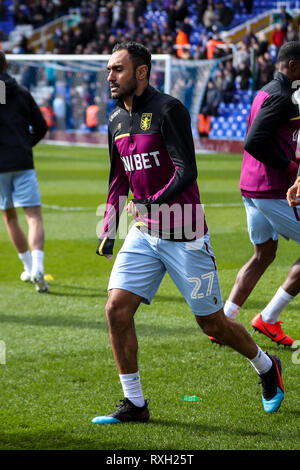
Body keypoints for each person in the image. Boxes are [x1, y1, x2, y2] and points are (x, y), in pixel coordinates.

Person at [92, 41, 284, 424]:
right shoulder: (116, 119)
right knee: (116, 309)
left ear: (142, 72)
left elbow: (186, 172)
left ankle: (266, 367)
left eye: (118, 69)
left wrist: (151, 203)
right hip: (144, 234)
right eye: (109, 70)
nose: (110, 77)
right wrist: (110, 227)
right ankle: (135, 404)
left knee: (211, 324)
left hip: (185, 233)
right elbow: (119, 179)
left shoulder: (169, 110)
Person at [213, 42, 300, 347]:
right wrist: (290, 166)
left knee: (263, 255)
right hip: (271, 188)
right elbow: (253, 141)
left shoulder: (267, 90)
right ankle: (269, 318)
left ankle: (223, 322)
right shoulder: (282, 96)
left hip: (252, 187)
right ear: (292, 66)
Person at [0, 51, 49, 293]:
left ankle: (29, 267)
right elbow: (41, 126)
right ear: (7, 64)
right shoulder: (20, 91)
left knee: (10, 217)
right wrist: (24, 145)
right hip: (22, 161)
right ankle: (37, 267)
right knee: (34, 216)